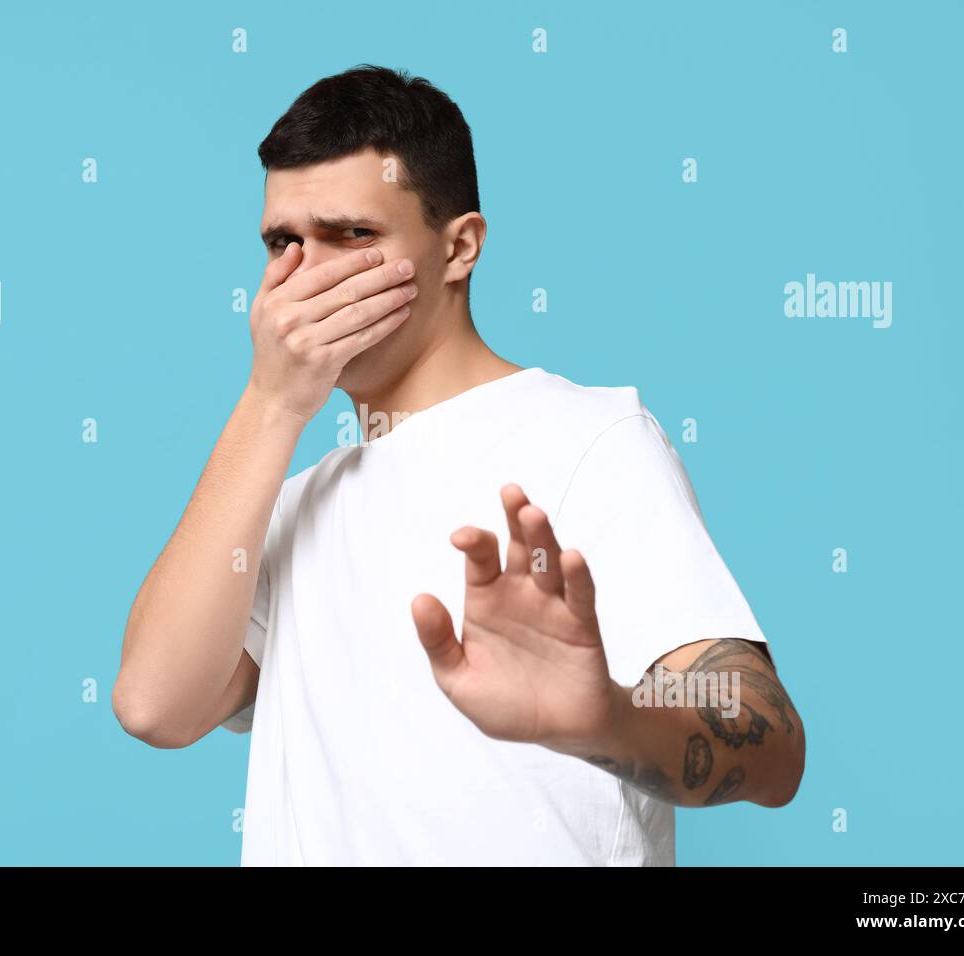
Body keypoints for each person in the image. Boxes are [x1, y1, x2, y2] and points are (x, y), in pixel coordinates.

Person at [112, 64, 805, 865]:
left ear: (459, 248)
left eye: (353, 236)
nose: (307, 275)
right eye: (283, 243)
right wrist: (270, 404)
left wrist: (604, 718)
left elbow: (775, 746)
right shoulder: (289, 501)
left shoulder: (591, 436)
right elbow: (154, 705)